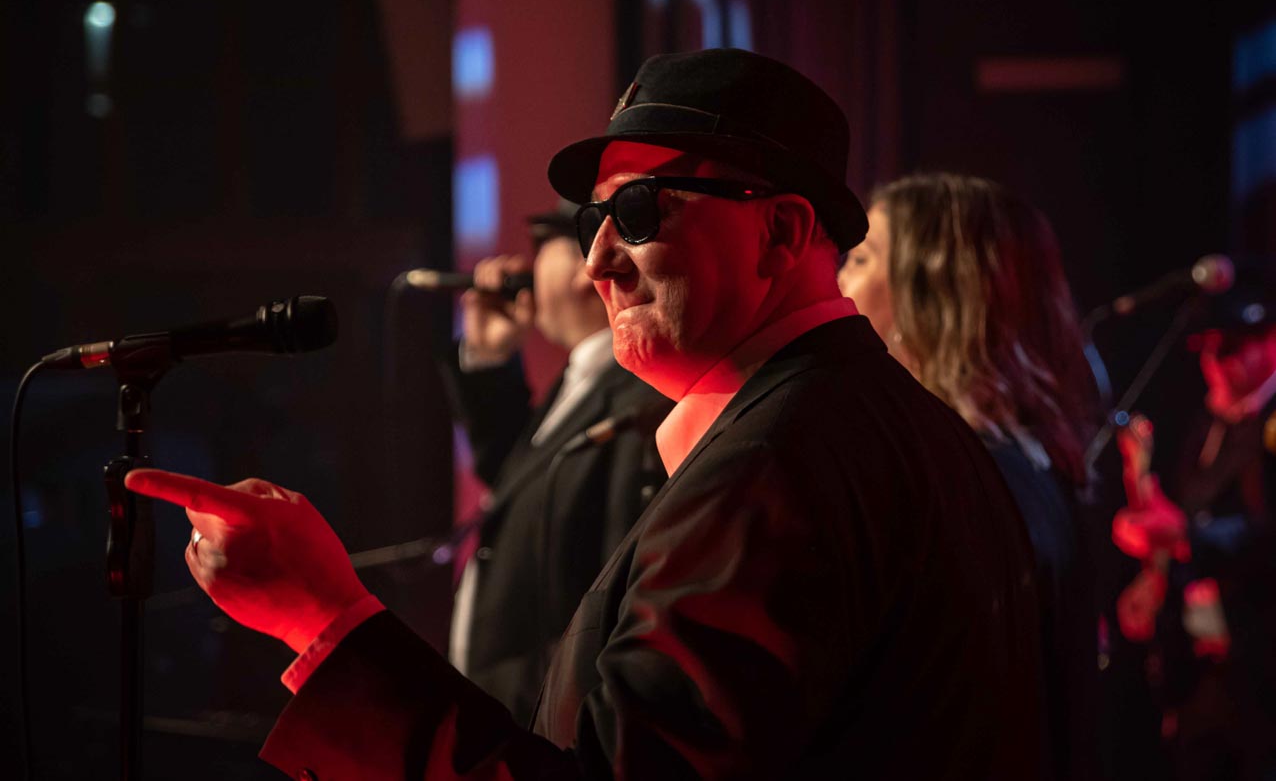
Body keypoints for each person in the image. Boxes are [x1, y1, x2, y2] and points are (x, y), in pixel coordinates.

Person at [126, 48, 1042, 779]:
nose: (598, 260)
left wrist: (327, 621)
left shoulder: (777, 466)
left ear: (782, 232)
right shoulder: (886, 428)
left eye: (640, 209)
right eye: (589, 221)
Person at [837, 173, 1100, 781]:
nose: (836, 280)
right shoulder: (1025, 459)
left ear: (934, 293)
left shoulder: (962, 473)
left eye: (861, 259)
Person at [441, 208, 669, 725]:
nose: (521, 267)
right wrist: (490, 359)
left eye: (541, 249)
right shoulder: (584, 377)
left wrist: (509, 700)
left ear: (586, 268)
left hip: (537, 718)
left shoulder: (638, 401)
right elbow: (519, 482)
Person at [1110, 264, 1276, 780]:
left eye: (1230, 348)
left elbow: (1262, 533)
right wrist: (1158, 570)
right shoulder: (1210, 418)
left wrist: (1185, 536)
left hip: (1261, 669)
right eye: (1208, 349)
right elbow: (1185, 514)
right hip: (1201, 667)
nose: (1216, 363)